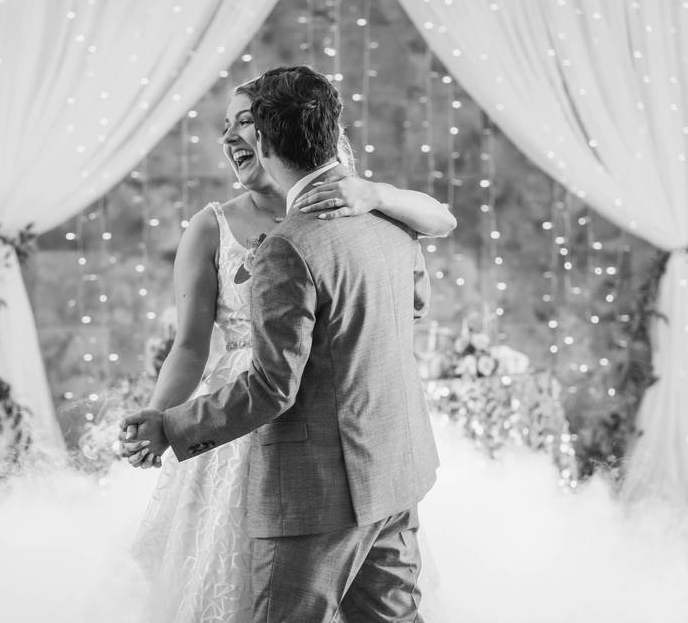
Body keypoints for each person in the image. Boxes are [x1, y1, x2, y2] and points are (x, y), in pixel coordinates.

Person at [123, 68, 450, 622]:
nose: (230, 138)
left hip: (310, 480)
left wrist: (169, 426)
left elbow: (274, 386)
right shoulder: (389, 223)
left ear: (269, 139)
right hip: (392, 466)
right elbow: (409, 308)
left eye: (244, 123)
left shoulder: (291, 244)